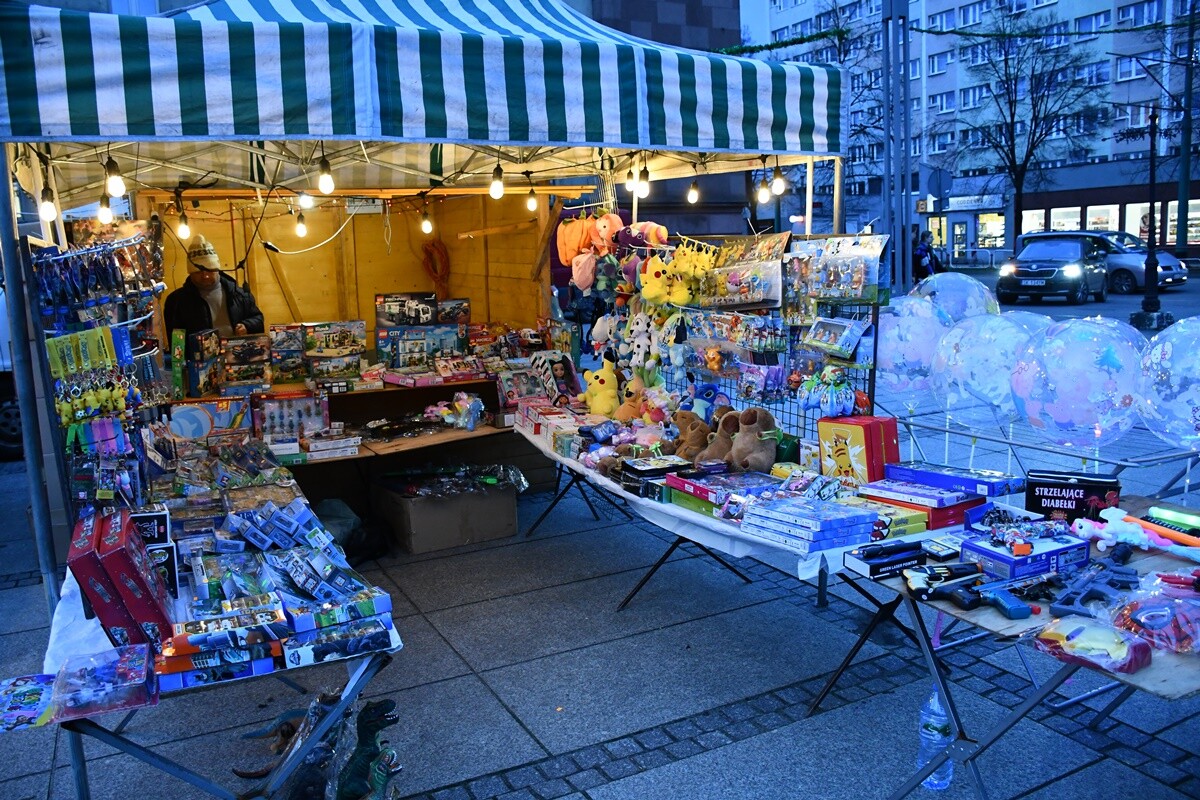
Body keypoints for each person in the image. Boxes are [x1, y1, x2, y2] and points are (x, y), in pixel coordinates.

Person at [163, 235, 264, 339]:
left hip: (236, 349)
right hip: (198, 350)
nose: (205, 276)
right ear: (190, 273)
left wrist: (247, 326)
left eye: (210, 270)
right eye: (198, 272)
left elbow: (258, 319)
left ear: (217, 269)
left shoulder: (239, 294)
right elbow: (176, 342)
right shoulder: (176, 301)